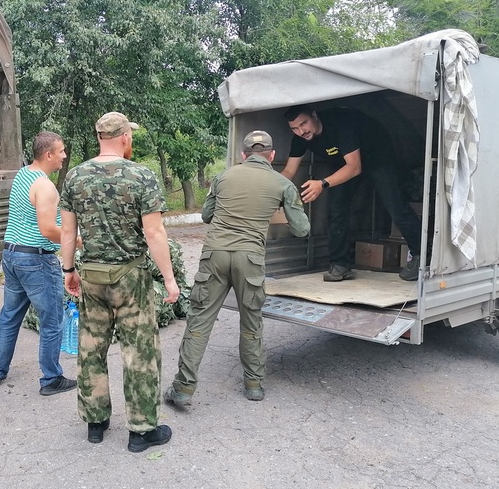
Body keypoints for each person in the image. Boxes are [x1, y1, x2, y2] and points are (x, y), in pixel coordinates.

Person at [59, 112, 180, 453]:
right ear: (125, 136)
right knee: (139, 352)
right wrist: (169, 280)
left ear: (99, 136)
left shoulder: (75, 177)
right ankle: (141, 432)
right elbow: (154, 232)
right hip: (130, 278)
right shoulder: (141, 175)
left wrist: (69, 270)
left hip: (92, 276)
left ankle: (95, 423)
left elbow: (68, 231)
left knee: (91, 349)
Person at [165, 130, 309, 406]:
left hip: (215, 255)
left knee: (199, 321)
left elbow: (207, 215)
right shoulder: (281, 183)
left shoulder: (222, 177)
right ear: (272, 156)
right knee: (251, 322)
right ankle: (254, 385)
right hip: (250, 259)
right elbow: (302, 229)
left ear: (243, 155)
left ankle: (183, 389)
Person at [281, 105, 422, 282]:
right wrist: (270, 186)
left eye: (304, 124)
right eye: (294, 128)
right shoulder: (301, 137)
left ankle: (421, 258)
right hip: (344, 162)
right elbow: (288, 171)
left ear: (315, 116)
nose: (301, 131)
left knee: (395, 206)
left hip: (377, 156)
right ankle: (340, 265)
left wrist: (322, 183)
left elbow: (355, 167)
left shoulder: (341, 124)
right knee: (336, 209)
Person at [0, 132, 77, 396]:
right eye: (61, 151)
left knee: (10, 315)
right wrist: (75, 239)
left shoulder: (24, 175)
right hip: (35, 260)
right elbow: (48, 229)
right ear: (48, 154)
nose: (64, 156)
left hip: (11, 254)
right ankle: (51, 379)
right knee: (52, 321)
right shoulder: (45, 186)